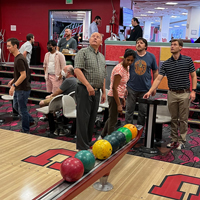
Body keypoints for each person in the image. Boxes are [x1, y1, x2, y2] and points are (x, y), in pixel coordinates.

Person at [143, 39, 197, 150]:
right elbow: (158, 79)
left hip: (184, 93)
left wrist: (194, 90)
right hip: (172, 93)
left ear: (180, 47)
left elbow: (194, 76)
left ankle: (182, 141)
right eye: (171, 45)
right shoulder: (166, 63)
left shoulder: (188, 60)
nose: (172, 46)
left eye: (175, 45)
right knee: (173, 118)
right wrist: (150, 91)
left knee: (183, 119)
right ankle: (173, 140)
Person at [74, 32, 106, 150]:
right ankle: (82, 146)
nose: (95, 38)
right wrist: (87, 85)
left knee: (92, 118)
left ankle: (87, 141)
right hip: (84, 89)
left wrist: (104, 91)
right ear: (89, 39)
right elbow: (77, 70)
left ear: (101, 42)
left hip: (97, 91)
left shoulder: (102, 57)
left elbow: (103, 75)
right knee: (83, 118)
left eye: (98, 37)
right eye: (93, 36)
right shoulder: (83, 52)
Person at [101, 49, 136, 137]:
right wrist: (119, 104)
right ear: (124, 58)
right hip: (113, 96)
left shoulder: (127, 67)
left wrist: (123, 97)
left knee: (111, 118)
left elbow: (122, 85)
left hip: (119, 95)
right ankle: (110, 139)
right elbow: (114, 88)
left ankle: (102, 135)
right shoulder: (119, 69)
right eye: (128, 60)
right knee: (113, 120)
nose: (130, 62)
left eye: (132, 60)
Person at [125, 37, 158, 126]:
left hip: (145, 89)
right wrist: (124, 86)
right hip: (131, 87)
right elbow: (125, 70)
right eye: (137, 43)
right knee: (129, 110)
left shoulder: (151, 57)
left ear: (145, 46)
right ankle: (128, 129)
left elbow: (155, 72)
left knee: (142, 112)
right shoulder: (132, 56)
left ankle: (140, 130)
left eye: (141, 43)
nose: (139, 44)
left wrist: (154, 87)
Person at [39, 65, 77, 136]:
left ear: (68, 72)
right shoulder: (75, 79)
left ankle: (52, 119)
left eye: (64, 70)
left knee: (41, 103)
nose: (62, 72)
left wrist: (50, 96)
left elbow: (57, 92)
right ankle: (55, 117)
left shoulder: (68, 81)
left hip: (61, 100)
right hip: (70, 101)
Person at [7, 38, 34, 133]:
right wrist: (13, 80)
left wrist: (13, 85)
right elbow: (20, 74)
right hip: (20, 88)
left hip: (22, 89)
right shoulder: (18, 57)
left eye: (9, 46)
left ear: (15, 46)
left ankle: (26, 130)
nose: (7, 48)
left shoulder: (19, 59)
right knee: (16, 106)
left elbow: (23, 75)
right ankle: (30, 120)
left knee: (22, 110)